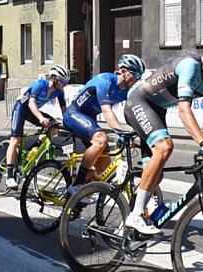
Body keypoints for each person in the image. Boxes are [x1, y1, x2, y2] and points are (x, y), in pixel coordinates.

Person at [123, 29, 203, 235]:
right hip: (139, 101)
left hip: (158, 109)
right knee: (165, 147)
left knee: (157, 175)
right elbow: (184, 110)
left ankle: (130, 227)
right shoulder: (190, 66)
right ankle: (135, 215)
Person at [63, 54, 146, 198]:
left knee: (104, 161)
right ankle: (76, 185)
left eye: (140, 75)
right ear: (124, 71)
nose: (137, 79)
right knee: (100, 140)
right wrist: (121, 132)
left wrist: (137, 130)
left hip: (89, 119)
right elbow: (107, 111)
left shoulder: (127, 91)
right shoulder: (105, 80)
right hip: (74, 114)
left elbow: (132, 111)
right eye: (136, 74)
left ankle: (78, 195)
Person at [4, 65, 70, 189]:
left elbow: (64, 109)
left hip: (33, 111)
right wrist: (40, 118)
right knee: (16, 140)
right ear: (54, 79)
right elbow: (31, 103)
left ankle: (33, 147)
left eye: (66, 82)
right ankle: (9, 177)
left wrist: (69, 122)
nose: (65, 85)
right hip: (21, 108)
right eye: (63, 81)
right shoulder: (40, 84)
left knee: (54, 127)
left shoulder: (59, 91)